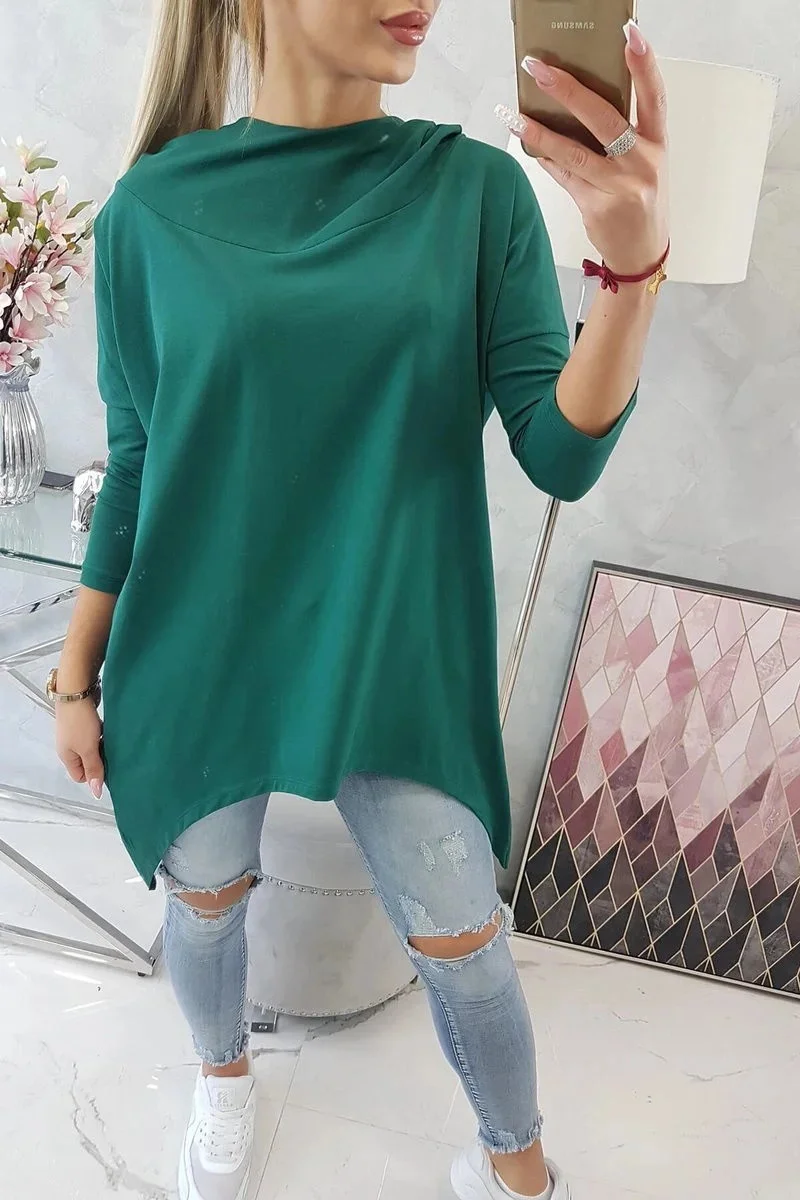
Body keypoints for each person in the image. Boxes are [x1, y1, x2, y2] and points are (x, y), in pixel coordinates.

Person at [53, 2, 668, 1198]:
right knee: (204, 906)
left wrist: (631, 270)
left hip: (394, 644)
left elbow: (558, 454)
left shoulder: (472, 195)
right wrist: (77, 675)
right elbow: (135, 461)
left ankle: (515, 1165)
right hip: (197, 647)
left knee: (463, 940)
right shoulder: (146, 214)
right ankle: (223, 1078)